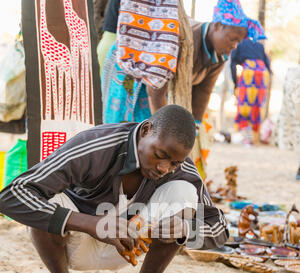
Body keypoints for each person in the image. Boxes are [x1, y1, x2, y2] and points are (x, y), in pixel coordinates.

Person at [0, 105, 228, 273]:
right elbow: (11, 195)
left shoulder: (179, 167)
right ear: (146, 130)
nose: (163, 168)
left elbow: (220, 227)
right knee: (44, 199)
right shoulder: (96, 145)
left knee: (184, 191)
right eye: (159, 155)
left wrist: (186, 230)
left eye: (173, 163)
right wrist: (92, 224)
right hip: (76, 243)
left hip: (132, 247)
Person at [100, 0, 265, 176]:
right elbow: (155, 91)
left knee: (157, 148)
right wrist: (167, 132)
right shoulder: (183, 39)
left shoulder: (219, 56)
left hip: (159, 93)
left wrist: (191, 131)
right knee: (131, 137)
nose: (234, 46)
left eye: (238, 43)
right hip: (133, 76)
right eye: (232, 39)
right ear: (217, 26)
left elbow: (203, 92)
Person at [231, 38, 271, 145]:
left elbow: (233, 63)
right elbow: (267, 62)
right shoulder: (259, 45)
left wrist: (236, 83)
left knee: (244, 107)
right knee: (256, 107)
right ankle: (254, 138)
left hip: (249, 74)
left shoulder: (238, 43)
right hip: (263, 73)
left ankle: (246, 138)